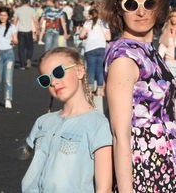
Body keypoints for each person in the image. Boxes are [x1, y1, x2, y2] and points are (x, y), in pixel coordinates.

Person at [103, 0, 176, 192]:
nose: (141, 12)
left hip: (164, 165)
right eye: (131, 4)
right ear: (119, 9)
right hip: (144, 172)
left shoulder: (146, 50)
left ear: (160, 6)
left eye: (149, 3)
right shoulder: (125, 57)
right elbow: (121, 134)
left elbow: (151, 103)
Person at [21, 47, 112, 193]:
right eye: (46, 79)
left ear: (79, 71)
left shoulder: (98, 124)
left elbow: (104, 188)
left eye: (58, 72)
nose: (54, 82)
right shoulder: (42, 122)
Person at [79, 8, 111, 96]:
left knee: (90, 68)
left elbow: (81, 35)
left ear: (90, 15)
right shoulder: (104, 23)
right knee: (100, 68)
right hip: (101, 47)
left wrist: (86, 36)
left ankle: (89, 89)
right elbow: (108, 38)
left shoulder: (88, 22)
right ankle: (100, 89)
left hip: (90, 47)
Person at [13, 0, 38, 70]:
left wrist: (13, 33)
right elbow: (35, 21)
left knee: (21, 48)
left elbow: (15, 21)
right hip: (29, 31)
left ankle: (22, 65)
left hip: (20, 31)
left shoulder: (17, 10)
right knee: (30, 47)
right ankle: (28, 59)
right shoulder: (32, 10)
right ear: (28, 2)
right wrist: (36, 32)